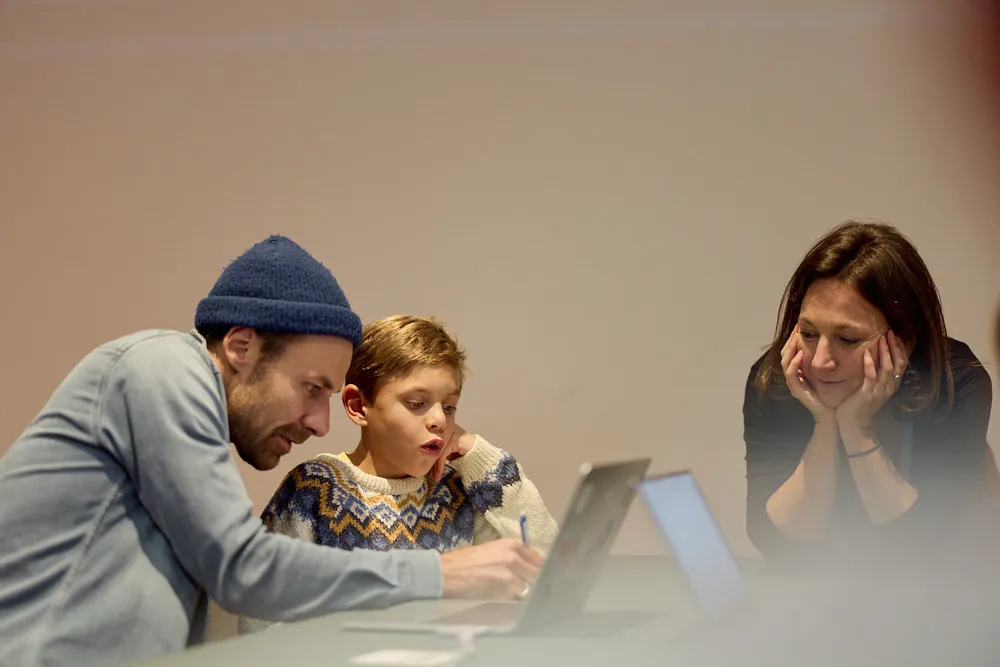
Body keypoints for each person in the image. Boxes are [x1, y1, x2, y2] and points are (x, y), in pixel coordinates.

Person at [0, 235, 543, 667]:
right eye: (311, 388)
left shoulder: (186, 410)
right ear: (241, 346)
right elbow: (244, 570)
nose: (320, 423)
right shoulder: (161, 369)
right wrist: (441, 575)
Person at [238, 314, 558, 634]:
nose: (439, 420)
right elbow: (261, 623)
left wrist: (477, 453)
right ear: (357, 405)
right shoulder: (315, 489)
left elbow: (546, 572)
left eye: (449, 407)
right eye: (417, 403)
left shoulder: (456, 489)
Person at [743, 220, 996, 573]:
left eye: (847, 339)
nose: (820, 361)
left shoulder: (955, 383)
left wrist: (856, 427)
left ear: (905, 339)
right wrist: (825, 424)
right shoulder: (775, 382)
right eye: (809, 333)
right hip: (816, 595)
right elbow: (776, 544)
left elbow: (931, 552)